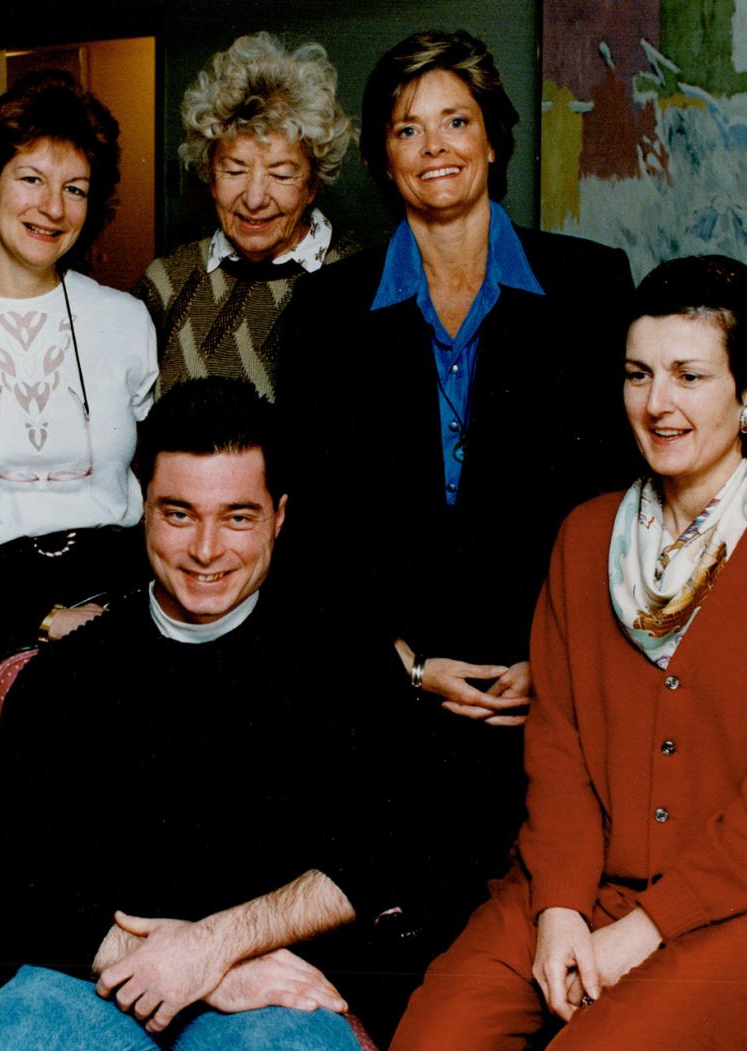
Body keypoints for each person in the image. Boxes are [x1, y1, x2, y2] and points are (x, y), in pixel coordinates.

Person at [383, 255, 747, 1051]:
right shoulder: (585, 537)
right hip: (585, 880)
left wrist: (648, 926)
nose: (658, 404)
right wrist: (562, 910)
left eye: (690, 375)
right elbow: (560, 744)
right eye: (638, 374)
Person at [0, 378, 412, 1051]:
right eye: (180, 514)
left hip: (270, 991)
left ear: (280, 516)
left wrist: (219, 946)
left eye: (239, 517)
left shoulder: (346, 661)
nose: (207, 550)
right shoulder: (66, 676)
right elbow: (7, 876)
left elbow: (392, 850)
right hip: (84, 977)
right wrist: (189, 965)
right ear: (142, 510)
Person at [275, 29, 635, 939]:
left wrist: (555, 665)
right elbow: (308, 528)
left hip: (551, 692)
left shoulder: (592, 288)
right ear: (378, 157)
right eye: (407, 129)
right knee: (389, 931)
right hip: (384, 692)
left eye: (457, 121)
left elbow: (625, 507)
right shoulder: (326, 312)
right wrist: (402, 667)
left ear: (494, 139)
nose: (435, 147)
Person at [0, 70, 158, 665]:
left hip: (121, 607)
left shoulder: (125, 319)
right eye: (30, 179)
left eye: (75, 189)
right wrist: (39, 613)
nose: (52, 209)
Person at [134, 31, 358, 400]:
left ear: (313, 184)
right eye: (234, 170)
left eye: (282, 174)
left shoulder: (365, 282)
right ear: (209, 175)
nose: (254, 199)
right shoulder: (164, 284)